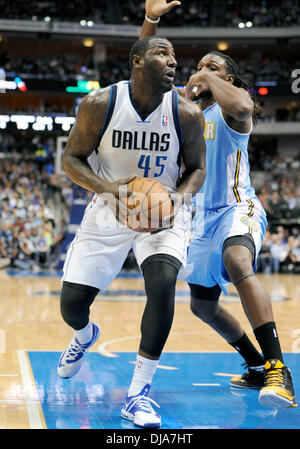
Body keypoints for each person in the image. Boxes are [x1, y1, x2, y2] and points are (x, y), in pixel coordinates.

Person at [141, 0, 296, 409]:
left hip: (236, 208)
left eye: (214, 67)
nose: (201, 69)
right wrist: (150, 21)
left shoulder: (233, 112)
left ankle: (280, 369)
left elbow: (244, 104)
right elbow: (144, 74)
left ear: (227, 78)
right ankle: (256, 363)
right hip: (196, 221)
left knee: (238, 262)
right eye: (200, 65)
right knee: (203, 305)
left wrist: (208, 76)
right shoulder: (184, 110)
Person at [57, 35, 206, 428]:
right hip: (111, 206)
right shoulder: (100, 104)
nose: (173, 61)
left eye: (175, 54)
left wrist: (179, 198)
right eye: (163, 53)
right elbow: (70, 158)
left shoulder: (187, 114)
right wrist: (109, 189)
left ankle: (138, 392)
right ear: (137, 61)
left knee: (162, 283)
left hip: (163, 213)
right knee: (71, 304)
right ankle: (85, 334)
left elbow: (197, 168)